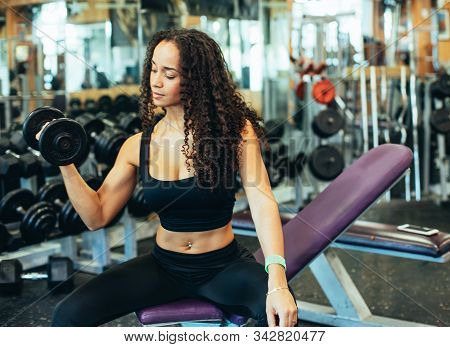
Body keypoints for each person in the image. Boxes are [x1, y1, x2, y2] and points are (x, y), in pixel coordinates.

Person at [48, 28, 298, 327]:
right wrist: (64, 160)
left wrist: (277, 279)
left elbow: (262, 201)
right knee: (67, 316)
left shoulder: (234, 133)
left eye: (168, 74)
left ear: (195, 80)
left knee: (281, 318)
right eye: (153, 69)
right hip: (163, 266)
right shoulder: (137, 145)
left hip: (223, 267)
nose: (155, 81)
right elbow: (96, 216)